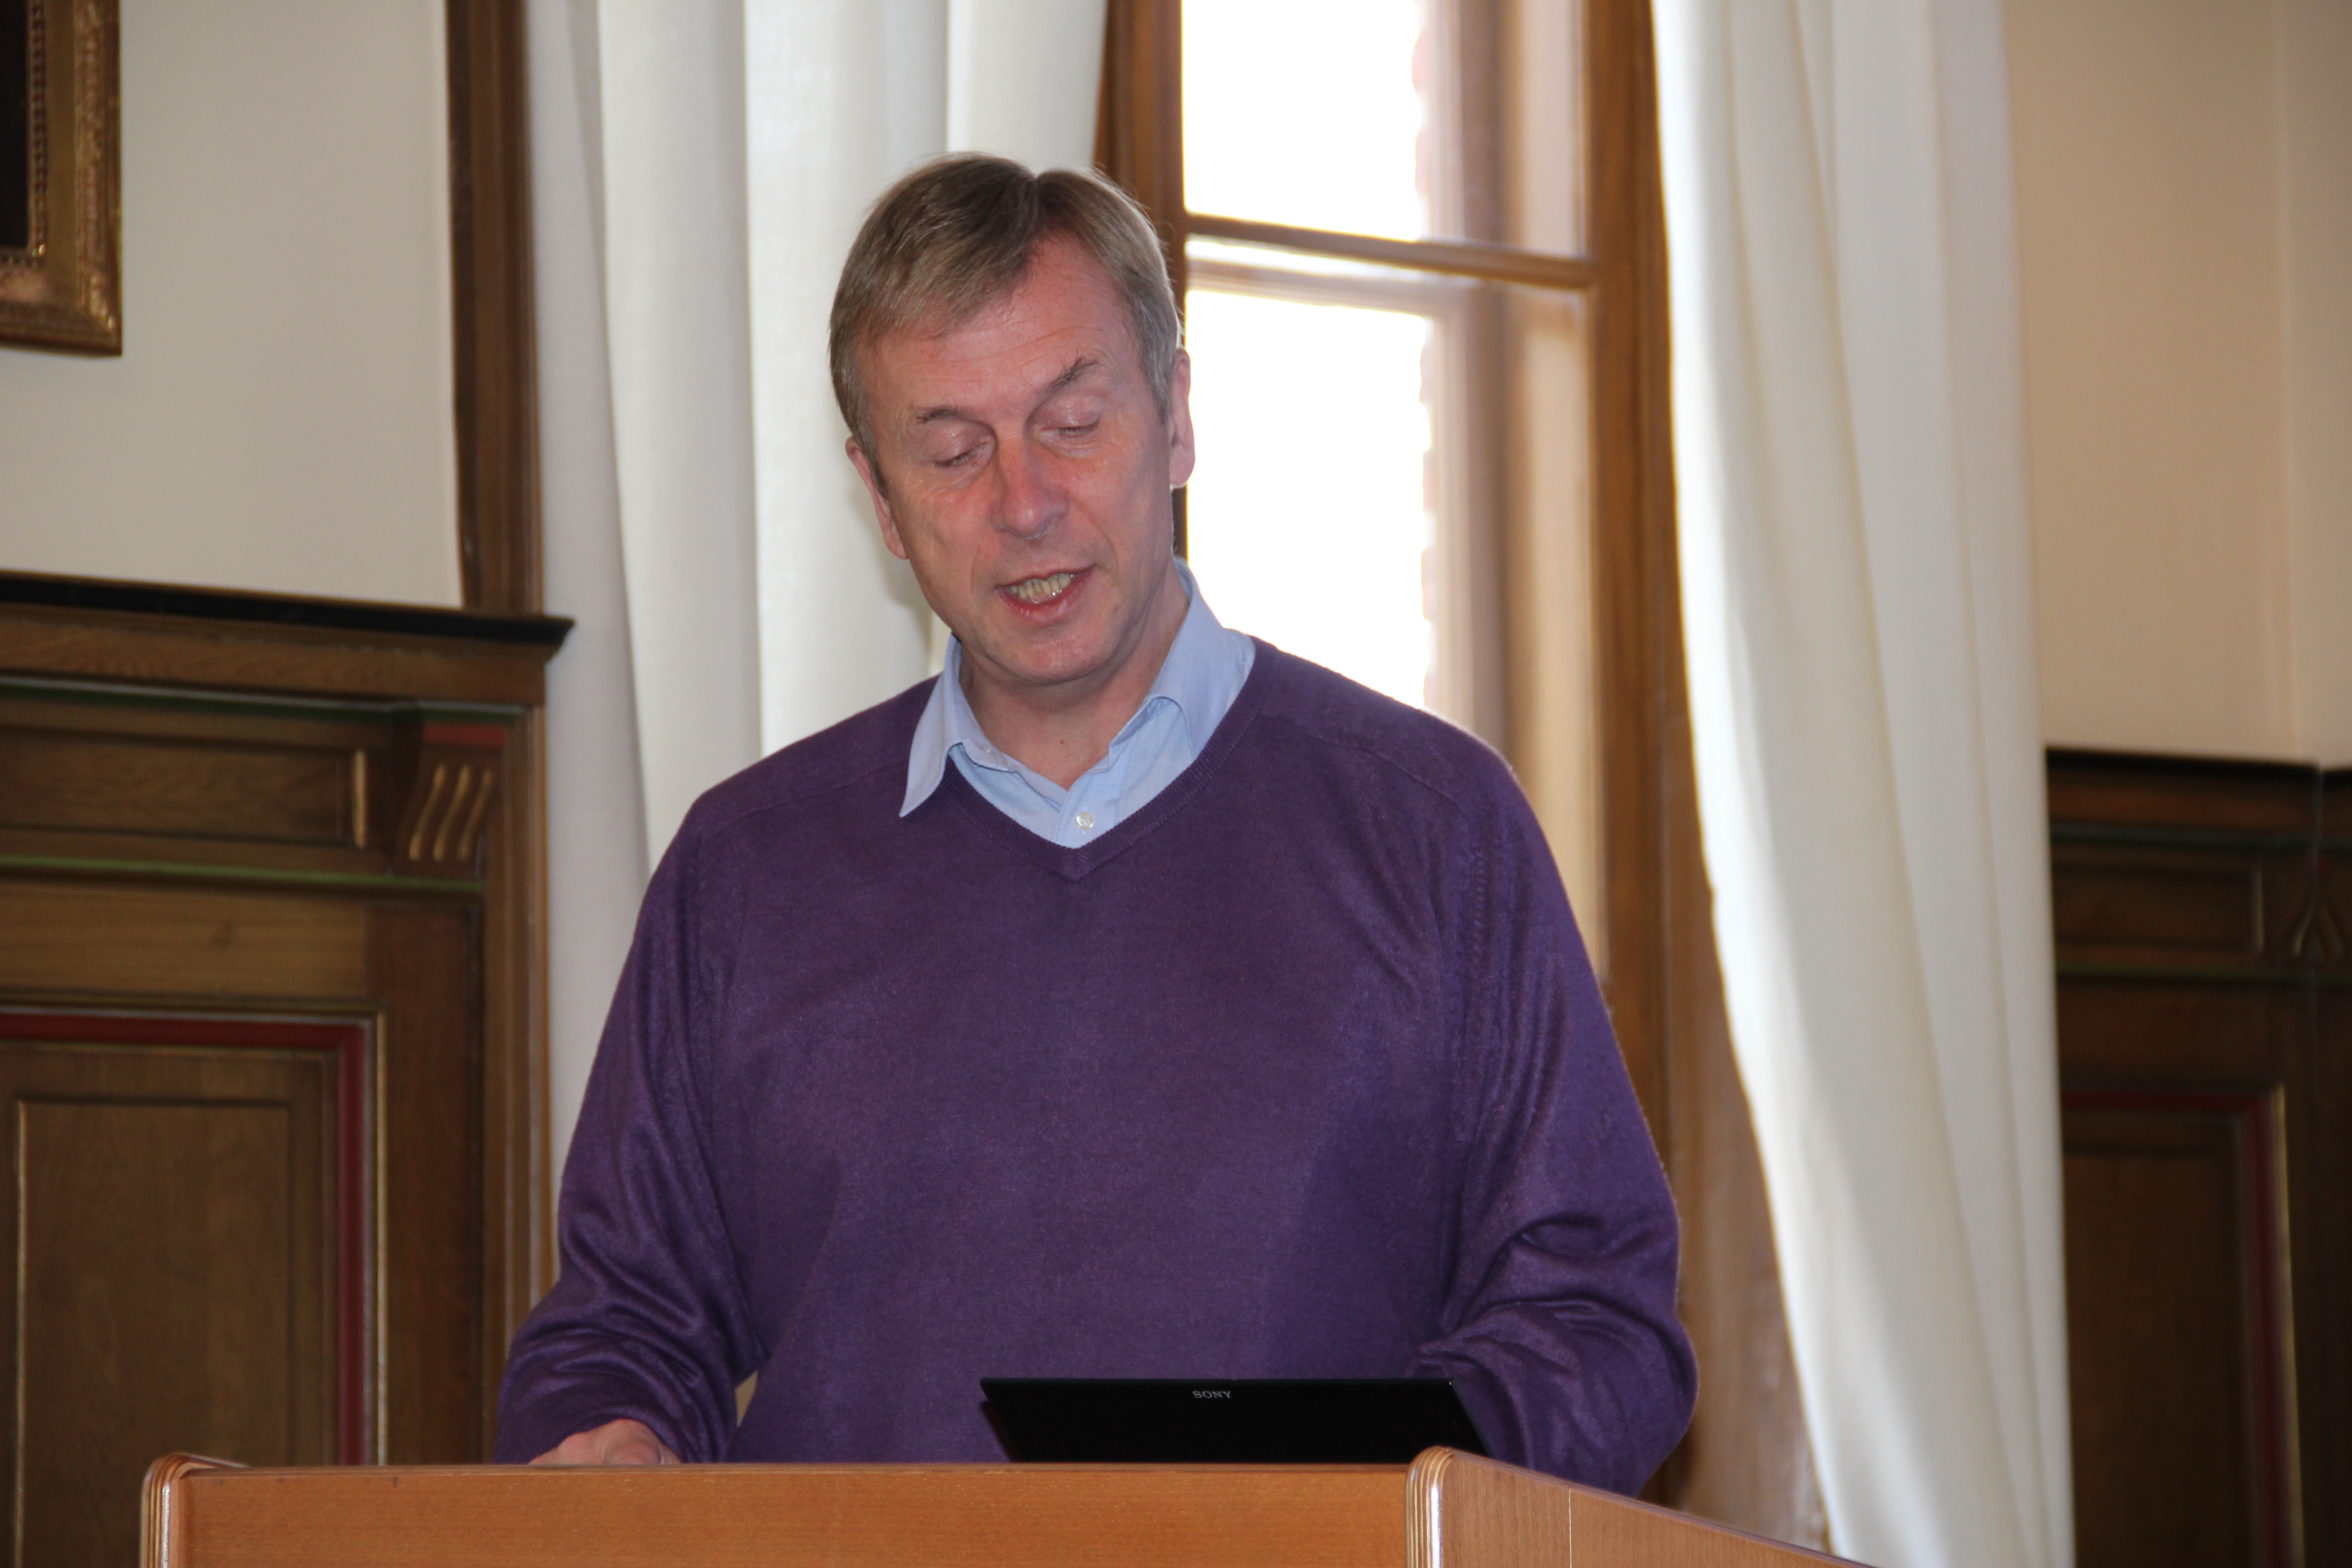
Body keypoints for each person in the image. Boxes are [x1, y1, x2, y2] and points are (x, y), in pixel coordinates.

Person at [493, 154, 1696, 1490]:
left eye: (1073, 422)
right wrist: (613, 1442)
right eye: (954, 452)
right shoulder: (745, 871)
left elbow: (1596, 1327)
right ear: (880, 499)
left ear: (1177, 417)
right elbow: (619, 1331)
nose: (1024, 504)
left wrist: (1345, 1500)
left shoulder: (1437, 831)